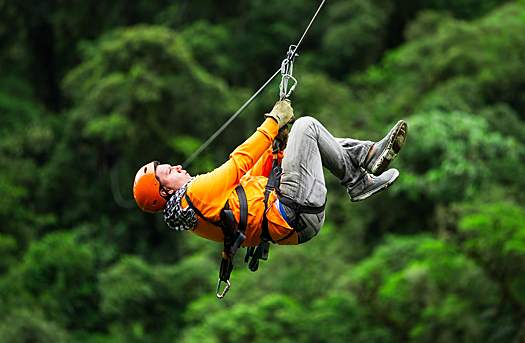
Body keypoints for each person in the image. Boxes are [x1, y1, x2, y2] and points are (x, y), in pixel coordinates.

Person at [133, 100, 407, 287]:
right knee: (306, 126)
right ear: (166, 190)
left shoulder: (193, 214)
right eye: (169, 171)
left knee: (300, 143)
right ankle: (358, 180)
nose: (178, 167)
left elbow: (252, 180)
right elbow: (239, 161)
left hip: (292, 215)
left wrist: (274, 148)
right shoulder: (195, 194)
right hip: (294, 210)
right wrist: (273, 122)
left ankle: (370, 154)